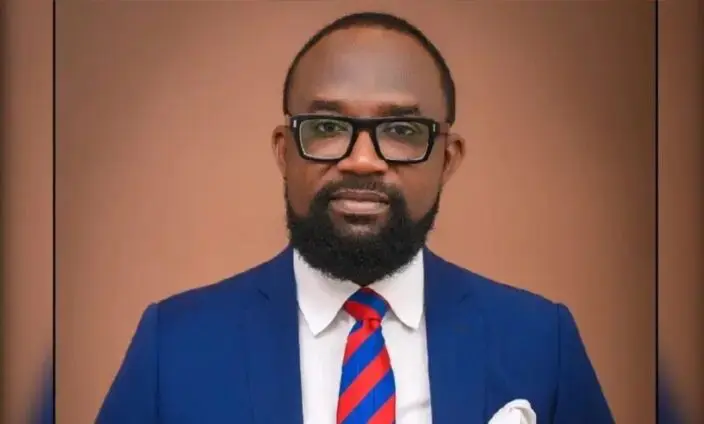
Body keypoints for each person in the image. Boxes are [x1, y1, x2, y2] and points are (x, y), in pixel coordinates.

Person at [97, 11, 614, 424]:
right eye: (326, 127)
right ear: (284, 152)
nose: (362, 160)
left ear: (448, 158)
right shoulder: (174, 346)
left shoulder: (540, 342)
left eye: (402, 131)